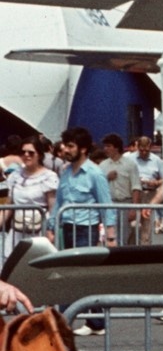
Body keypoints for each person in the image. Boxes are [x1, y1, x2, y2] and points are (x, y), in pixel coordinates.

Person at [51, 128, 110, 335]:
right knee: (68, 274)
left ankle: (69, 320)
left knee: (81, 276)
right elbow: (59, 201)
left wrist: (110, 236)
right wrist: (51, 225)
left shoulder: (94, 173)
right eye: (65, 145)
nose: (65, 149)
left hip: (86, 230)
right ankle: (93, 322)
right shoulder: (66, 171)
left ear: (83, 149)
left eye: (70, 146)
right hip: (66, 228)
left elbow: (106, 205)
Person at [2, 138, 58, 265]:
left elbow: (52, 208)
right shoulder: (15, 176)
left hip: (39, 231)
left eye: (31, 152)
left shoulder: (49, 177)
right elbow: (8, 207)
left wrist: (51, 232)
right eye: (23, 152)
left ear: (39, 154)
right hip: (16, 231)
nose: (26, 155)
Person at [97, 134, 142, 246]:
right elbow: (98, 186)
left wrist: (134, 208)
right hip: (109, 204)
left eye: (108, 146)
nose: (105, 149)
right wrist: (107, 177)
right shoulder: (102, 165)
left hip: (125, 203)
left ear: (116, 148)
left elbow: (136, 187)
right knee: (109, 234)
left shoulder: (130, 164)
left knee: (124, 235)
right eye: (105, 146)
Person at [132, 136, 163, 244]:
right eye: (141, 150)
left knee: (147, 226)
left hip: (150, 194)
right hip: (134, 194)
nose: (144, 153)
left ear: (151, 148)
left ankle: (144, 247)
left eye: (147, 150)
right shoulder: (129, 159)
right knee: (132, 224)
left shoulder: (157, 160)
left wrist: (155, 182)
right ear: (137, 147)